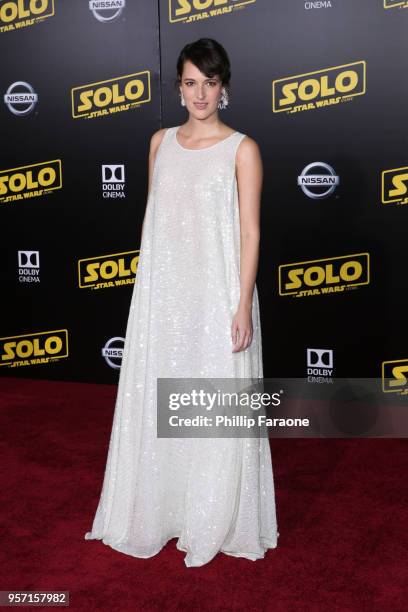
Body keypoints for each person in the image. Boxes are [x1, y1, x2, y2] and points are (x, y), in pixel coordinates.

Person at [84, 37, 279, 567]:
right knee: (160, 397)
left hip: (218, 293)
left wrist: (241, 305)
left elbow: (251, 234)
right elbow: (156, 226)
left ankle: (210, 513)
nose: (200, 94)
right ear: (178, 86)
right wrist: (151, 297)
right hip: (165, 296)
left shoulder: (243, 149)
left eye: (210, 83)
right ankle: (160, 506)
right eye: (191, 83)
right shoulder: (159, 142)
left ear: (225, 88)